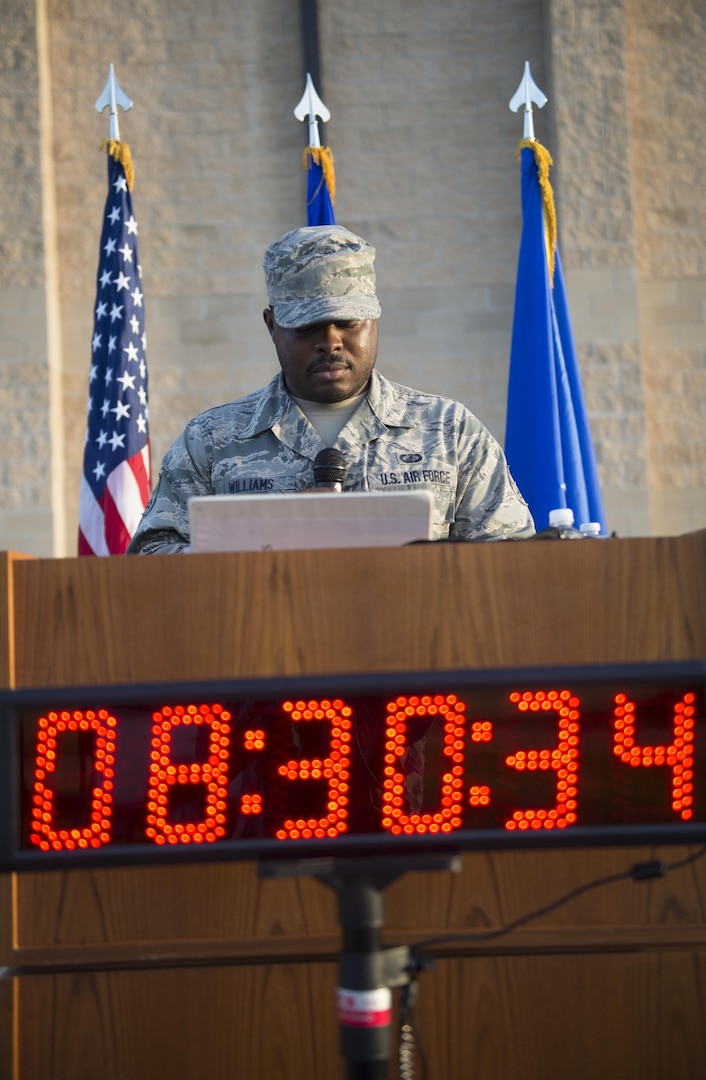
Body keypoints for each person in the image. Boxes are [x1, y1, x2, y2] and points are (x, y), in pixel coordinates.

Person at [127, 225, 534, 554]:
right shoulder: (213, 441)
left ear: (374, 316)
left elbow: (511, 560)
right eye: (307, 327)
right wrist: (269, 540)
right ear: (272, 325)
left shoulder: (449, 433)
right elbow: (151, 560)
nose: (331, 341)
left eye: (348, 322)